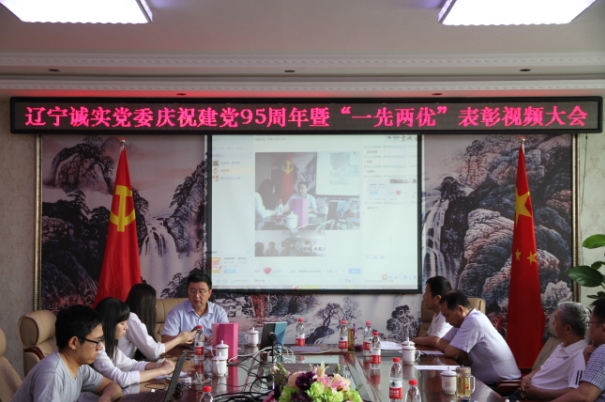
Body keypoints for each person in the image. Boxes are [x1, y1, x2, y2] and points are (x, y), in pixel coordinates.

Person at [11, 305, 122, 402]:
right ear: (74, 343)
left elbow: (113, 386)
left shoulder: (79, 367)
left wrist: (105, 398)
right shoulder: (52, 374)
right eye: (96, 341)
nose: (100, 347)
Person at [508, 302, 589, 401]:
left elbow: (574, 392)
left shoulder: (580, 355)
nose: (553, 323)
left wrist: (538, 393)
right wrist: (527, 377)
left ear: (567, 328)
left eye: (556, 320)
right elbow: (544, 368)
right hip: (525, 394)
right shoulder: (562, 345)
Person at [437, 290, 521, 385]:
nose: (446, 321)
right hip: (487, 382)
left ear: (460, 309)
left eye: (447, 316)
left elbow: (450, 352)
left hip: (502, 384)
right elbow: (440, 343)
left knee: (445, 386)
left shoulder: (473, 321)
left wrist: (458, 350)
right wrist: (461, 352)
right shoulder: (462, 322)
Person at [91, 298, 175, 388]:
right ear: (109, 324)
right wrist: (162, 370)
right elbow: (120, 379)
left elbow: (132, 365)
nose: (126, 327)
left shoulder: (109, 345)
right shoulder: (97, 349)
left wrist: (159, 365)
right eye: (122, 323)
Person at [118, 283, 195, 360]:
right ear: (145, 303)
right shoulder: (131, 318)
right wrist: (179, 339)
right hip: (121, 367)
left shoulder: (129, 317)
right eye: (153, 302)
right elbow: (154, 353)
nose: (156, 306)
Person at [552, 297, 605, 402]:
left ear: (603, 327)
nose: (589, 329)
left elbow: (584, 396)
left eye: (591, 323)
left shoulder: (603, 350)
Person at [162, 273, 229, 344]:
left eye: (201, 291)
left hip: (212, 350)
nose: (196, 296)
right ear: (188, 291)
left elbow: (229, 335)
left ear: (209, 293)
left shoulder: (219, 312)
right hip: (186, 350)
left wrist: (219, 338)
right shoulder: (177, 312)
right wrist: (182, 339)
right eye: (193, 291)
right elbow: (165, 340)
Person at [412, 276, 453, 347]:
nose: (423, 296)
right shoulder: (437, 313)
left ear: (437, 298)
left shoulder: (446, 315)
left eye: (426, 293)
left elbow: (436, 341)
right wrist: (410, 343)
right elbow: (428, 335)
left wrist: (414, 340)